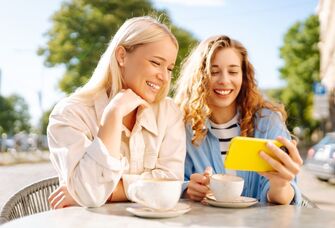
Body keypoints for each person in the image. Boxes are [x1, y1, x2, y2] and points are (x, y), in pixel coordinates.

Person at [47, 16, 186, 209]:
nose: (163, 76)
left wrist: (113, 192)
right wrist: (113, 114)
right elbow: (90, 195)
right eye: (155, 63)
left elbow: (171, 182)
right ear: (121, 56)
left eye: (169, 68)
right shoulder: (69, 114)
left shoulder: (169, 113)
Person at [174, 35, 303, 205]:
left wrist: (280, 185)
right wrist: (187, 190)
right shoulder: (181, 126)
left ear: (244, 76)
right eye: (213, 72)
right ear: (199, 77)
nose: (224, 80)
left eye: (233, 71)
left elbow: (283, 199)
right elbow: (169, 181)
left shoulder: (268, 121)